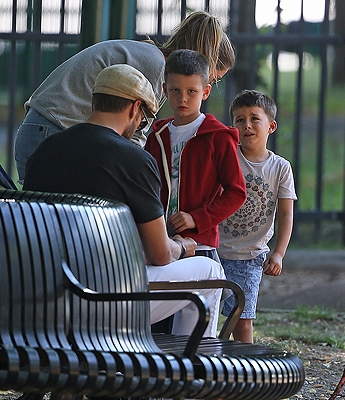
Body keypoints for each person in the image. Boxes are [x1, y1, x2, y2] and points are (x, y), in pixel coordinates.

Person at [22, 64, 225, 338]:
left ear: (94, 101)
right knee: (210, 271)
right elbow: (160, 254)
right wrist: (182, 246)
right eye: (143, 118)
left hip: (44, 296)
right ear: (135, 108)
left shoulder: (45, 151)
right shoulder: (134, 160)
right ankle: (187, 371)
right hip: (104, 303)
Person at [14, 11, 235, 182]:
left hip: (44, 131)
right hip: (51, 133)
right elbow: (133, 139)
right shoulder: (157, 68)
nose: (208, 86)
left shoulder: (150, 58)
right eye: (212, 80)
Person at [144, 49, 246, 263]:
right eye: (175, 90)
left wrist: (196, 218)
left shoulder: (218, 137)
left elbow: (236, 193)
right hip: (160, 242)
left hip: (200, 245)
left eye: (192, 91)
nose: (182, 99)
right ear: (164, 89)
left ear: (205, 92)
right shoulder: (156, 136)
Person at [217, 90, 296, 343]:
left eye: (254, 118)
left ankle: (245, 372)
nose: (247, 125)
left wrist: (279, 252)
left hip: (251, 256)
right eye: (240, 120)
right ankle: (212, 361)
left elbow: (285, 214)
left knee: (243, 320)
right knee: (204, 314)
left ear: (271, 126)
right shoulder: (227, 157)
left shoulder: (280, 168)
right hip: (215, 251)